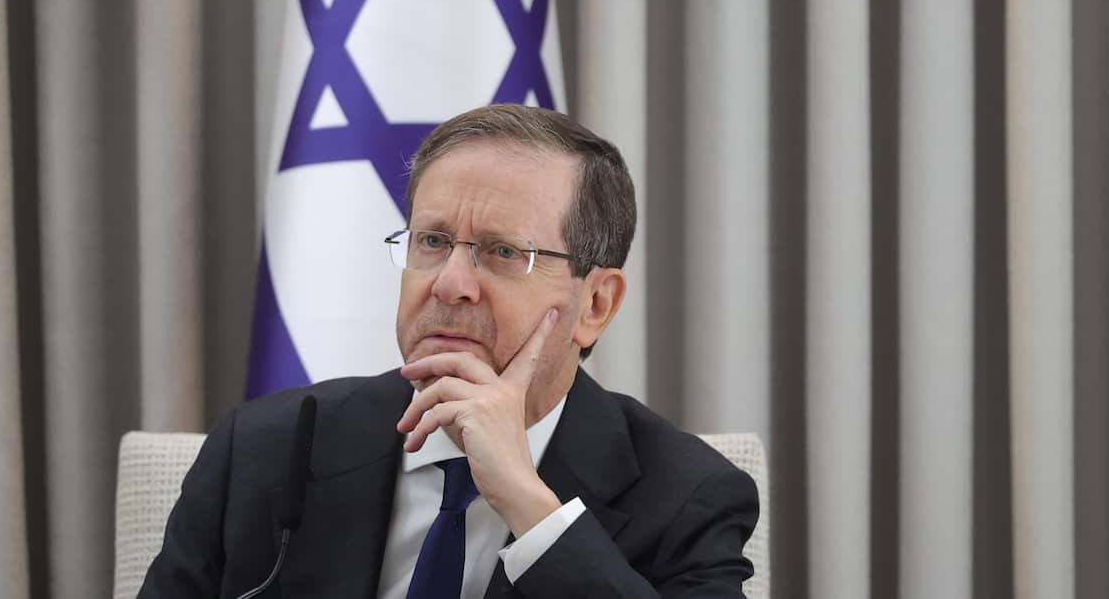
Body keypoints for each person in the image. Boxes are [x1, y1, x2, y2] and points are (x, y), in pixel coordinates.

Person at [140, 104, 759, 598]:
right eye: (433, 241)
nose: (450, 283)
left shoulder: (688, 494)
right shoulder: (268, 448)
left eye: (503, 252)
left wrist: (528, 503)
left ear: (595, 304)